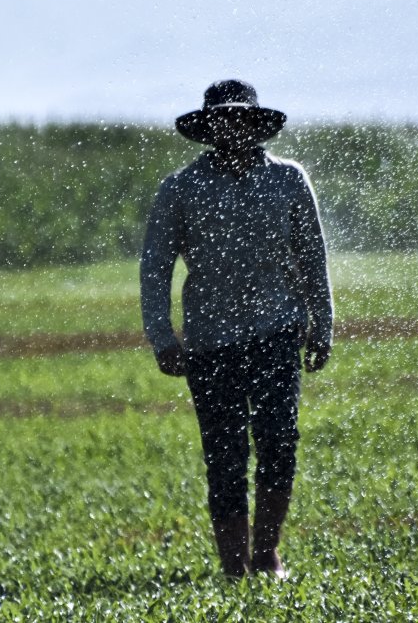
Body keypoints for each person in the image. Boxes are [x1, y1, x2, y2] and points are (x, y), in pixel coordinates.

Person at [140, 79, 333, 579]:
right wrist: (162, 336)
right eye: (221, 120)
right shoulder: (181, 188)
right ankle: (233, 566)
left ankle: (267, 554)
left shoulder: (289, 180)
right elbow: (155, 268)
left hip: (276, 332)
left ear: (254, 123)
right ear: (208, 128)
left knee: (279, 441)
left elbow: (313, 257)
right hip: (208, 341)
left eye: (239, 118)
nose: (231, 127)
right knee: (224, 456)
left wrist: (322, 323)